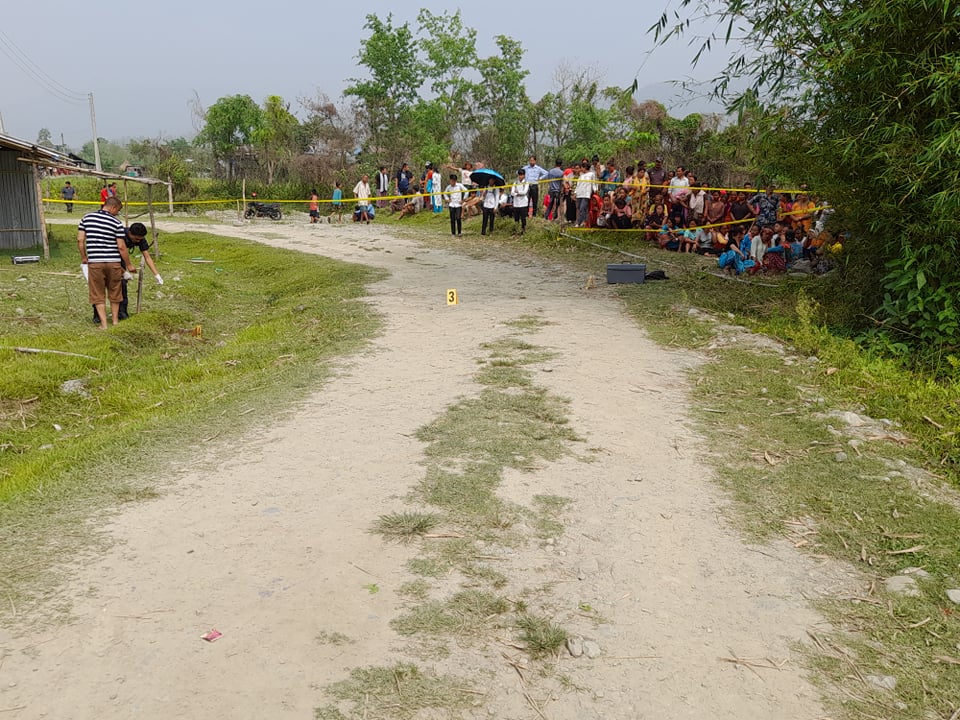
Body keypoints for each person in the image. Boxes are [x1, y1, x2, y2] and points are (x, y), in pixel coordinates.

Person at [78, 197, 136, 329]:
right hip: (114, 263)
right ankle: (115, 321)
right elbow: (121, 246)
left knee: (98, 293)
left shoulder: (86, 218)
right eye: (118, 210)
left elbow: (80, 240)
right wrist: (128, 264)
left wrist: (84, 257)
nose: (117, 213)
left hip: (95, 262)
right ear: (113, 207)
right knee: (115, 291)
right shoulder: (116, 223)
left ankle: (104, 324)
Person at [90, 222, 164, 322]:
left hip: (120, 258)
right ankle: (97, 315)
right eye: (136, 239)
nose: (138, 241)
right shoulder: (119, 235)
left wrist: (157, 274)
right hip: (104, 257)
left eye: (140, 239)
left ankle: (122, 312)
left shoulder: (140, 239)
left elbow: (147, 256)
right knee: (100, 285)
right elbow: (111, 256)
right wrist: (124, 271)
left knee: (122, 284)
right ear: (129, 233)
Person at [574, 161, 596, 227]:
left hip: (586, 194)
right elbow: (578, 184)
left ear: (585, 167)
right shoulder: (581, 176)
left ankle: (580, 222)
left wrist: (595, 190)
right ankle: (582, 222)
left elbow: (594, 183)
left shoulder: (591, 174)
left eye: (581, 168)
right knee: (579, 208)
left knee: (582, 208)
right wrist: (575, 192)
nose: (581, 169)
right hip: (579, 193)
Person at [510, 168, 529, 234]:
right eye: (519, 175)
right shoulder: (515, 183)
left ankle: (523, 230)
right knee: (516, 218)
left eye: (521, 175)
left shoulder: (526, 182)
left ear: (524, 175)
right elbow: (512, 192)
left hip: (523, 203)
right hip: (516, 203)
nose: (520, 176)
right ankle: (516, 230)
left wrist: (518, 192)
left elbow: (525, 192)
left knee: (523, 218)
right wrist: (517, 193)